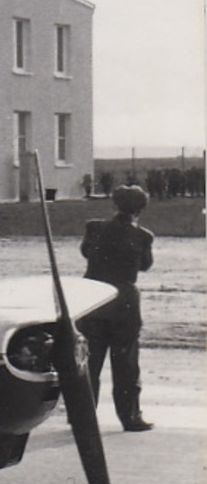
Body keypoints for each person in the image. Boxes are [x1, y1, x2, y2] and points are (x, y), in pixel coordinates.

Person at [79, 184, 155, 432]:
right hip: (124, 302)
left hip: (93, 299)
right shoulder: (143, 236)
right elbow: (144, 266)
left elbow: (85, 253)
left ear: (115, 204)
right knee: (126, 363)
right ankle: (130, 416)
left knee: (89, 362)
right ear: (141, 209)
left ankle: (82, 416)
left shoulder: (94, 228)